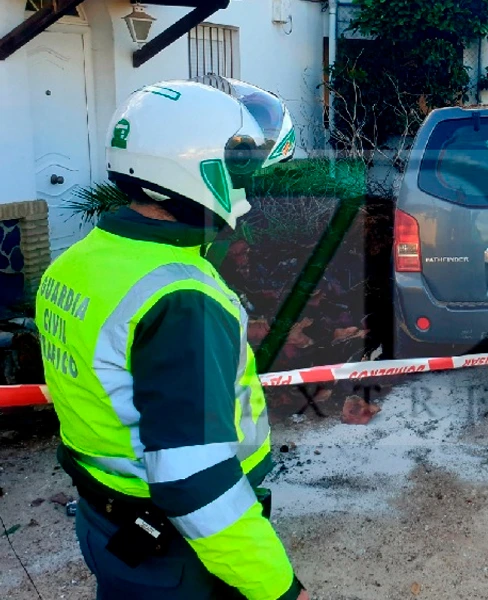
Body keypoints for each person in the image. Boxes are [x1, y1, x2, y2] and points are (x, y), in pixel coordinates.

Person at [37, 77, 308, 600]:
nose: (246, 187)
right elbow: (196, 484)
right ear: (195, 170)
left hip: (105, 521)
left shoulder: (80, 261)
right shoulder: (182, 298)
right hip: (176, 549)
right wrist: (279, 588)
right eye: (238, 169)